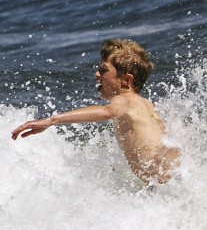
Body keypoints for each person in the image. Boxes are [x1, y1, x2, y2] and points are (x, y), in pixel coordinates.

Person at [12, 39, 180, 184]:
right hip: (173, 173)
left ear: (127, 80)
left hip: (162, 175)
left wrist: (52, 121)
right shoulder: (145, 103)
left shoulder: (123, 100)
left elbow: (107, 112)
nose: (97, 73)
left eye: (104, 70)